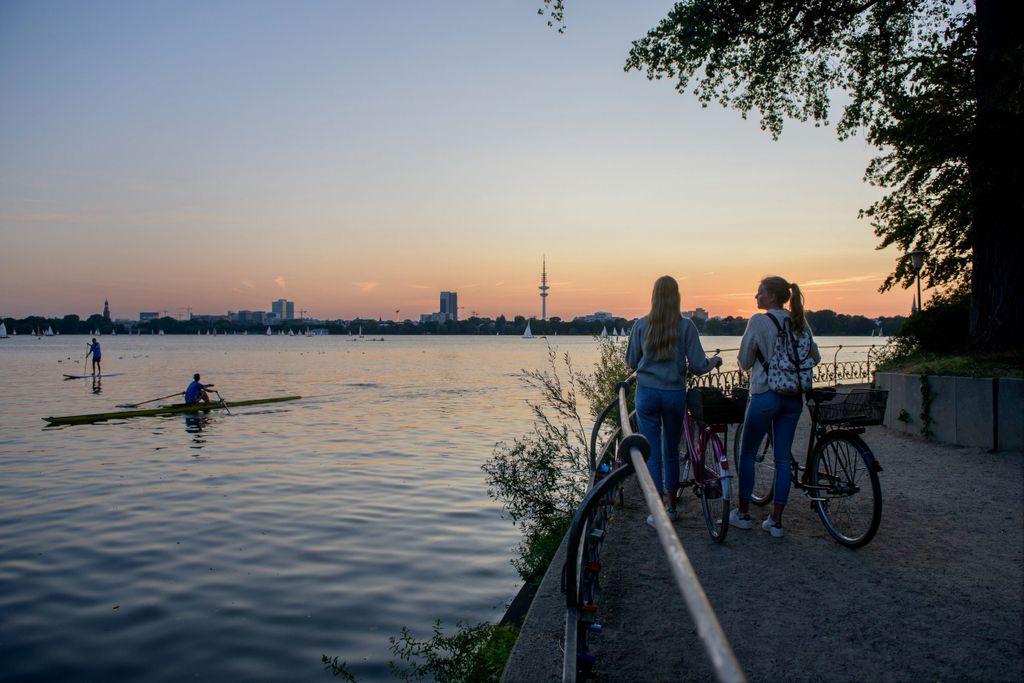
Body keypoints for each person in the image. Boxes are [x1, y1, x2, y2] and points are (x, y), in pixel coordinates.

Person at [627, 275, 722, 527]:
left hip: (647, 393)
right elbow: (700, 366)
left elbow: (630, 362)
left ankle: (656, 508)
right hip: (673, 394)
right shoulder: (686, 326)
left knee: (652, 451)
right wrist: (715, 362)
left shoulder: (641, 325)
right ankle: (670, 505)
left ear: (654, 296)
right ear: (677, 296)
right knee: (671, 449)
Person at [731, 275, 821, 538]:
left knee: (747, 454)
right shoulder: (798, 320)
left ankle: (744, 514)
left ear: (771, 296)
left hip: (765, 394)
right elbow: (814, 356)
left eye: (759, 292)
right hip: (793, 398)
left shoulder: (758, 321)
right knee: (783, 458)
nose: (755, 297)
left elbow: (745, 362)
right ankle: (776, 521)